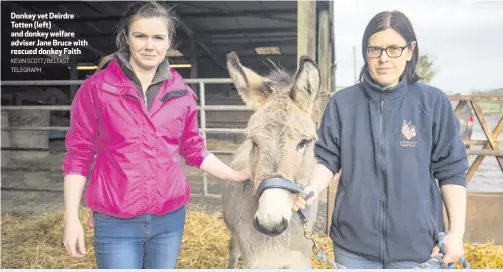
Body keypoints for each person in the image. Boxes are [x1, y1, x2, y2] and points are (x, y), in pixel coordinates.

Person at [61, 2, 249, 269]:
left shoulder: (182, 94)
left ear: (169, 41)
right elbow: (79, 155)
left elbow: (194, 149)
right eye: (140, 36)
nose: (149, 46)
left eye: (158, 37)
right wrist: (71, 218)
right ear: (127, 37)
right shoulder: (98, 89)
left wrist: (237, 175)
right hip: (116, 221)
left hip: (169, 222)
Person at [293, 10, 468, 269]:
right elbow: (327, 159)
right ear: (366, 53)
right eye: (374, 49)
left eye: (394, 49)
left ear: (410, 51)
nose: (384, 58)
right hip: (353, 247)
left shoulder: (432, 103)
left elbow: (451, 171)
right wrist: (309, 190)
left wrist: (456, 234)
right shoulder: (343, 103)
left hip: (417, 247)